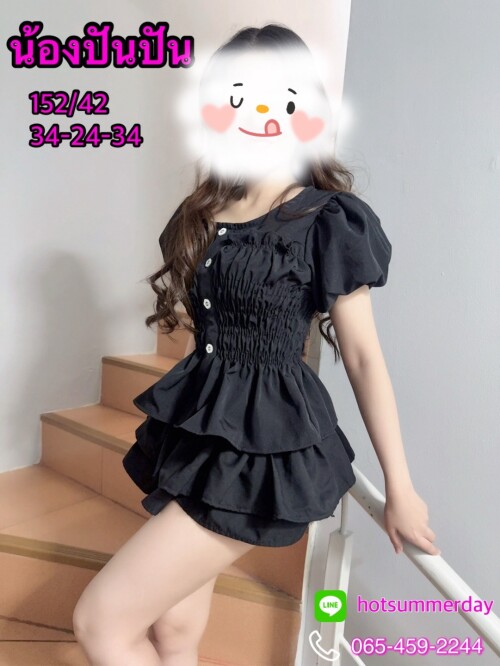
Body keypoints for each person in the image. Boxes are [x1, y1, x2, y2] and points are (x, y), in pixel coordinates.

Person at [72, 23, 440, 666]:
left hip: (263, 450)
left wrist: (400, 486)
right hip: (201, 430)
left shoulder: (326, 218)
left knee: (100, 622)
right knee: (174, 631)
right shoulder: (205, 209)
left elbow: (362, 356)